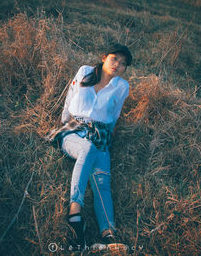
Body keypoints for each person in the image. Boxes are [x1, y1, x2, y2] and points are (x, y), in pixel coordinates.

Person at [47, 44, 132, 251]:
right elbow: (70, 96)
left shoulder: (122, 86)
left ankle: (108, 235)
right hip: (74, 130)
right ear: (104, 57)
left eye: (123, 64)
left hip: (100, 134)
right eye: (114, 59)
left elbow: (116, 113)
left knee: (102, 180)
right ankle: (75, 213)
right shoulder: (85, 72)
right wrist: (63, 121)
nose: (117, 65)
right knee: (86, 148)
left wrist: (109, 137)